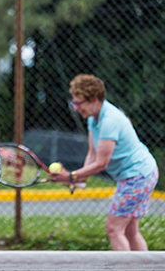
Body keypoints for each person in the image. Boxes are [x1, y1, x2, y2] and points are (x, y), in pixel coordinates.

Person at [48, 74, 158, 251]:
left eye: (79, 103)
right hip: (143, 173)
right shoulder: (94, 117)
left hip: (137, 176)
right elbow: (92, 153)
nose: (76, 108)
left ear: (94, 100)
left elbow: (101, 164)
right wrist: (77, 180)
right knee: (130, 231)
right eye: (74, 103)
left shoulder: (109, 121)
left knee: (114, 229)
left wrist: (70, 175)